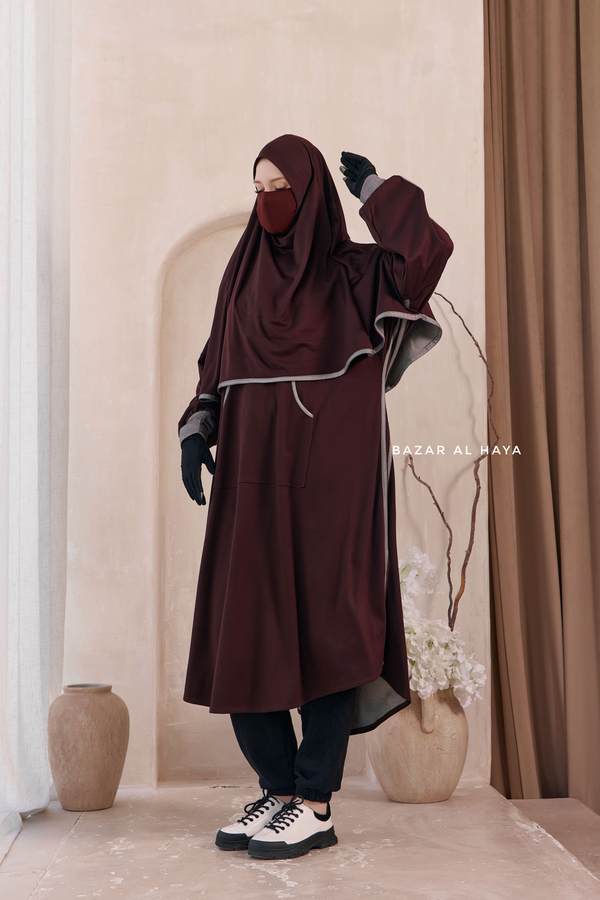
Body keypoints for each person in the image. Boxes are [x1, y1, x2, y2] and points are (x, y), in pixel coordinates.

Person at [178, 134, 453, 860]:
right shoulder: (242, 279)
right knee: (247, 628)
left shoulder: (355, 275)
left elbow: (423, 257)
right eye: (258, 187)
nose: (268, 200)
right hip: (251, 481)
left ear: (312, 195)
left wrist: (379, 194)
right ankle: (278, 789)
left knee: (330, 630)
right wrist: (198, 428)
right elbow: (216, 366)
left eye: (281, 187)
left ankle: (314, 801)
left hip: (335, 483)